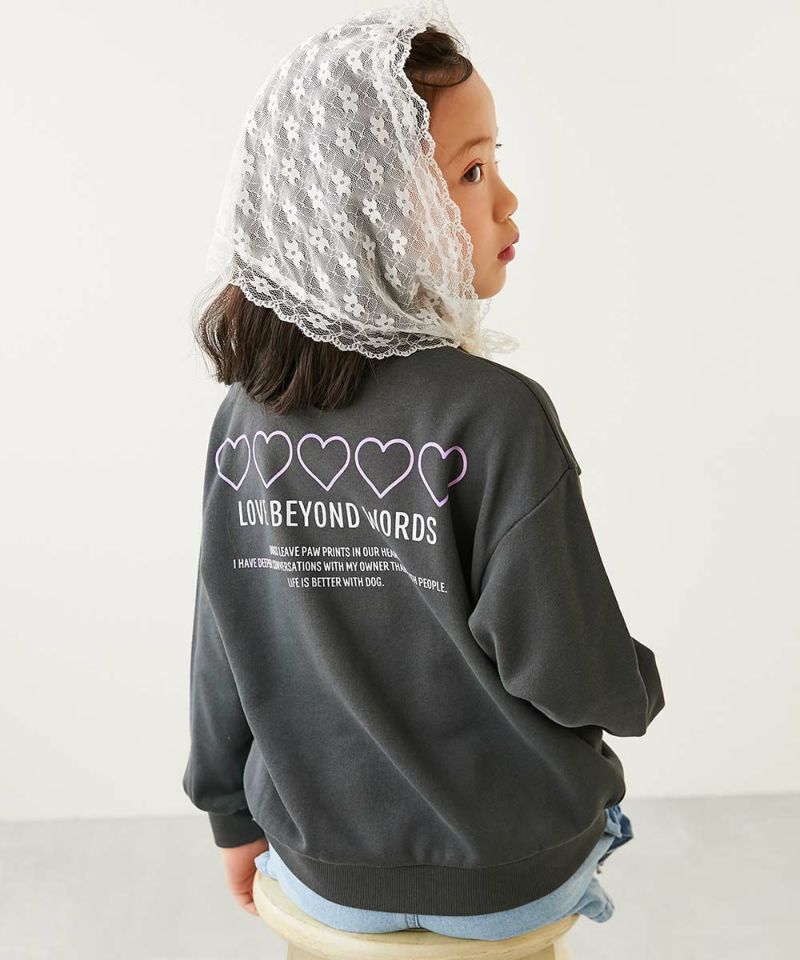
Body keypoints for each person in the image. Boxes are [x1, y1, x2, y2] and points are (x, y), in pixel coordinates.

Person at [182, 0, 665, 941]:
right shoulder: (495, 413)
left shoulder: (245, 421)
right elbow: (567, 665)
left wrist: (230, 818)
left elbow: (221, 644)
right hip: (507, 874)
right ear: (367, 207)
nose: (507, 202)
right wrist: (637, 688)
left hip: (321, 867)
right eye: (472, 171)